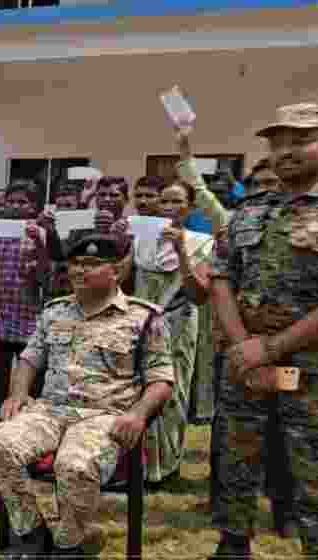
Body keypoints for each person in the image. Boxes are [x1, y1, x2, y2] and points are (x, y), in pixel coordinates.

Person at [0, 234, 174, 558]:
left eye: (91, 264)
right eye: (75, 263)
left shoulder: (144, 317)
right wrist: (18, 393)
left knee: (74, 465)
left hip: (105, 415)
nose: (79, 270)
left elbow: (162, 378)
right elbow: (31, 358)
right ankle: (31, 531)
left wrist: (138, 414)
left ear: (116, 271)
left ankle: (68, 543)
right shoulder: (54, 311)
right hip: (50, 410)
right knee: (0, 446)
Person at [208, 102, 318, 559]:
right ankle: (233, 545)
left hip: (309, 368)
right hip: (246, 365)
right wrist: (244, 347)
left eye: (301, 140)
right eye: (277, 142)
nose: (286, 151)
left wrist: (272, 347)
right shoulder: (250, 211)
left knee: (311, 462)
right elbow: (220, 277)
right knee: (236, 456)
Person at [131, 180, 214, 483]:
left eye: (177, 201)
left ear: (189, 207)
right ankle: (141, 466)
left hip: (178, 320)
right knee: (142, 390)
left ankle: (166, 466)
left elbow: (199, 294)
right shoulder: (143, 235)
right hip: (142, 323)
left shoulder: (200, 241)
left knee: (173, 392)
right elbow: (126, 276)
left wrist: (181, 250)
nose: (169, 207)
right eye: (164, 201)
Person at [0, 179, 50, 422]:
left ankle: (27, 421)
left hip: (28, 314)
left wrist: (38, 243)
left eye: (22, 202)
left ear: (34, 206)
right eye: (11, 202)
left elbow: (43, 277)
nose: (16, 207)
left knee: (31, 373)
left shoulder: (40, 232)